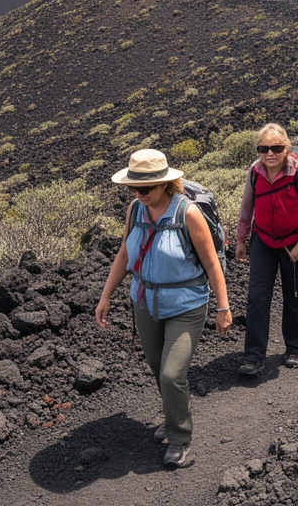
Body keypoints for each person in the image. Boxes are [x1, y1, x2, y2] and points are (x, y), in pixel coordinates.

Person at [95, 149, 232, 468]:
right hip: (144, 302)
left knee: (172, 374)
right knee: (159, 370)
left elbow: (212, 264)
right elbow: (124, 254)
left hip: (186, 305)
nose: (139, 194)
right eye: (134, 188)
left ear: (165, 184)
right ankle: (173, 416)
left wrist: (223, 308)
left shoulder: (187, 213)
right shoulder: (135, 210)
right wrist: (106, 296)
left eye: (145, 188)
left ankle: (180, 438)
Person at [234, 124, 298, 374]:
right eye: (263, 148)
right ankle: (253, 356)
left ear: (286, 148)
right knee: (257, 298)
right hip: (263, 240)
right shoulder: (255, 172)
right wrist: (241, 239)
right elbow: (246, 207)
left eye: (275, 148)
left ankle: (296, 347)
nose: (269, 154)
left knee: (294, 295)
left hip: (295, 243)